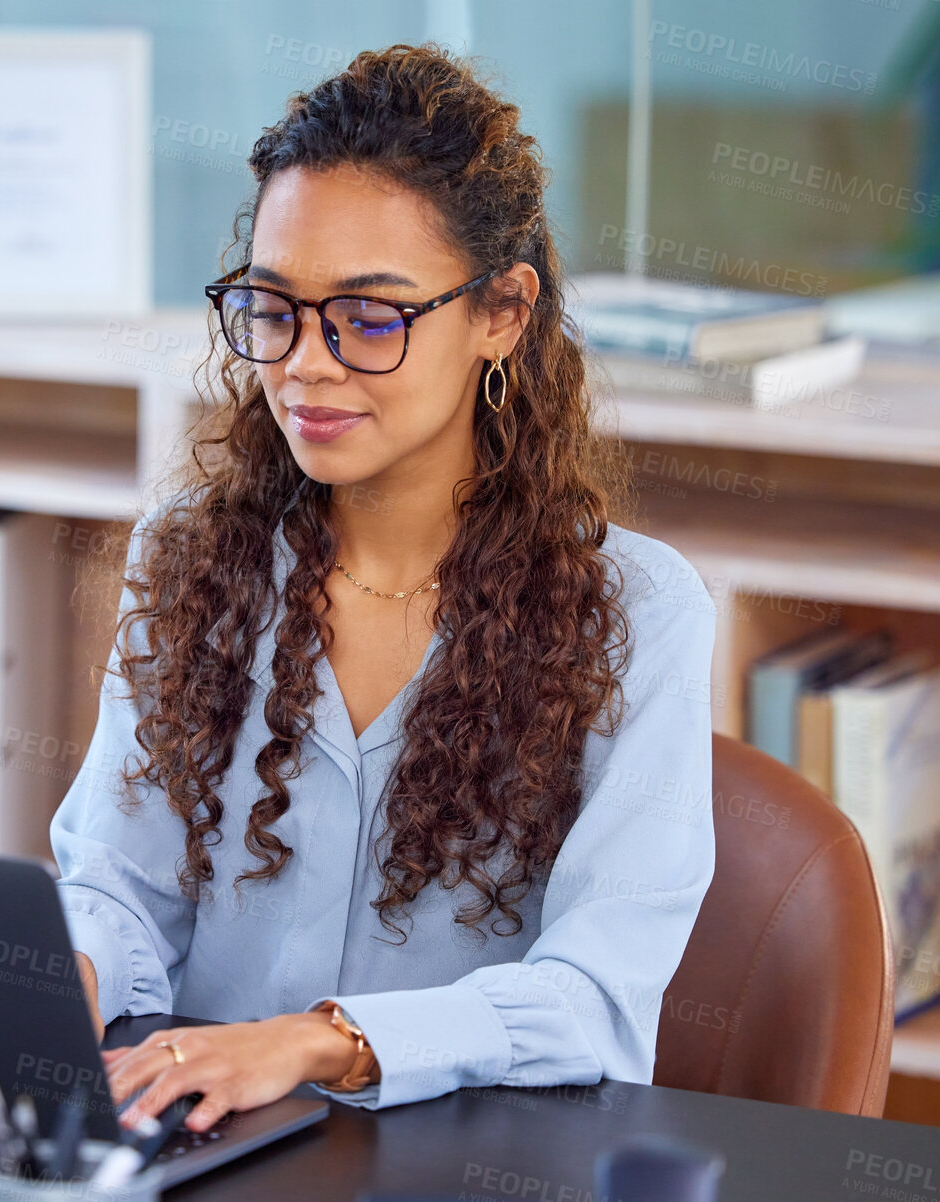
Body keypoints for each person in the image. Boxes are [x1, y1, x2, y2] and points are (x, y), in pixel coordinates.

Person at [49, 42, 717, 1135]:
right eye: (274, 307)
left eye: (369, 317)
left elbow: (596, 998)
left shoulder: (639, 613)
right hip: (206, 1144)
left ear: (500, 311)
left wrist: (322, 1041)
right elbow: (121, 882)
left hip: (460, 1159)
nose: (306, 363)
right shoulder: (191, 553)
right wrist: (68, 968)